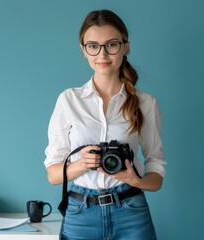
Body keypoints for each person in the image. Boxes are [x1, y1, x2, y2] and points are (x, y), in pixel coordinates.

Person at [44, 9, 166, 240]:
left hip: (131, 209)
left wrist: (135, 180)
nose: (102, 54)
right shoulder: (69, 100)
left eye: (111, 44)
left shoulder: (145, 103)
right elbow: (53, 174)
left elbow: (156, 173)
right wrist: (82, 164)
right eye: (93, 45)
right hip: (81, 211)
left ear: (125, 46)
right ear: (84, 49)